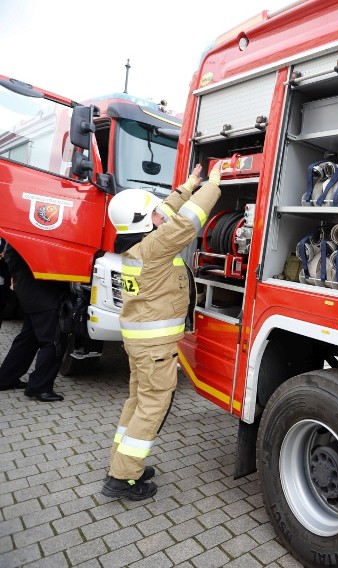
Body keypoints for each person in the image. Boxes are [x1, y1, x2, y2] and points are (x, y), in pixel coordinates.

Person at [101, 161, 221, 500]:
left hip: (140, 344)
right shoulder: (155, 247)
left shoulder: (135, 243)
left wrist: (189, 183)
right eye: (153, 215)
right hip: (155, 348)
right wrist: (213, 184)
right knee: (152, 407)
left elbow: (165, 212)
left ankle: (121, 461)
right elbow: (186, 221)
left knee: (137, 403)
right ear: (145, 222)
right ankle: (122, 478)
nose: (160, 216)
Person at [0, 243, 68, 400]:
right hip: (44, 293)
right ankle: (39, 387)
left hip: (31, 290)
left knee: (28, 339)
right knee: (53, 341)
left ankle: (5, 379)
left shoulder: (21, 234)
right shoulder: (33, 233)